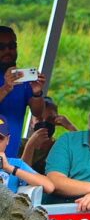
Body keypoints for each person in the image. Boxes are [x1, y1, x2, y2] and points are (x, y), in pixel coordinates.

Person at [0, 25, 46, 157]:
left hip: (9, 160)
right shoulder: (12, 82)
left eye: (12, 46)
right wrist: (6, 88)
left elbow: (37, 112)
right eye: (1, 47)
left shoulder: (23, 80)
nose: (8, 51)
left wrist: (37, 93)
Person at [20, 96, 77, 174]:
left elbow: (84, 154)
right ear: (31, 123)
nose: (44, 123)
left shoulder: (60, 147)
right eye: (39, 119)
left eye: (50, 119)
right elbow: (21, 176)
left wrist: (70, 127)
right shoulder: (19, 145)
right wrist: (30, 145)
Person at [0, 114, 54, 194]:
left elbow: (49, 187)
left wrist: (9, 168)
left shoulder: (14, 164)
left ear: (7, 140)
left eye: (0, 138)